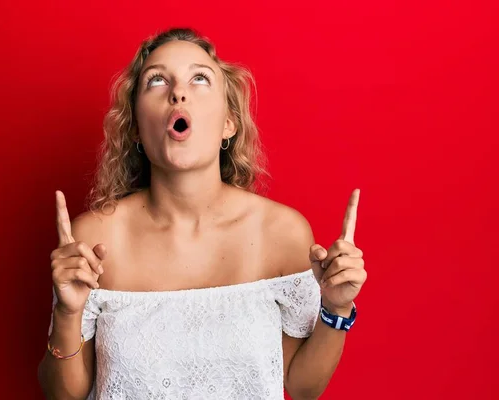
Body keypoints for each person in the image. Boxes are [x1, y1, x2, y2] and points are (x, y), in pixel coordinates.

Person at [37, 27, 367, 400]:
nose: (178, 92)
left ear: (229, 122)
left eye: (199, 79)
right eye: (157, 80)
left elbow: (303, 387)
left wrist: (337, 308)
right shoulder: (97, 238)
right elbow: (63, 395)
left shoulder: (282, 233)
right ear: (134, 130)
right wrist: (66, 314)